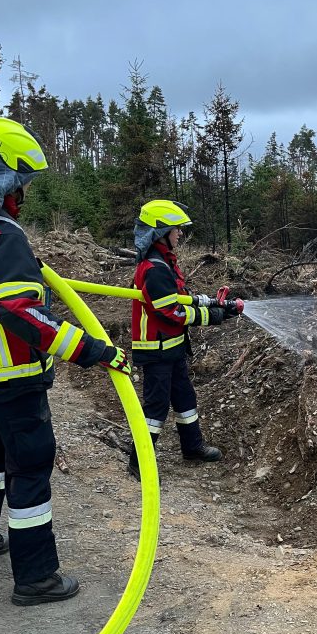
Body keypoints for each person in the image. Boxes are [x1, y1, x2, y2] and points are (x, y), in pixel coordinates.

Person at [0, 116, 131, 606]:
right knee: (31, 465)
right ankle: (36, 577)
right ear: (1, 177)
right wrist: (91, 350)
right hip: (8, 378)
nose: (24, 192)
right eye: (22, 182)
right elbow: (20, 314)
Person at [128, 199, 241, 478]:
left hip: (171, 347)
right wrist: (213, 317)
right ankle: (138, 462)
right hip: (156, 349)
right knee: (155, 410)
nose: (180, 234)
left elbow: (181, 296)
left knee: (185, 399)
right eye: (176, 229)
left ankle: (192, 447)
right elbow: (171, 312)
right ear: (161, 231)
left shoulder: (164, 262)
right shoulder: (154, 268)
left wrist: (215, 304)